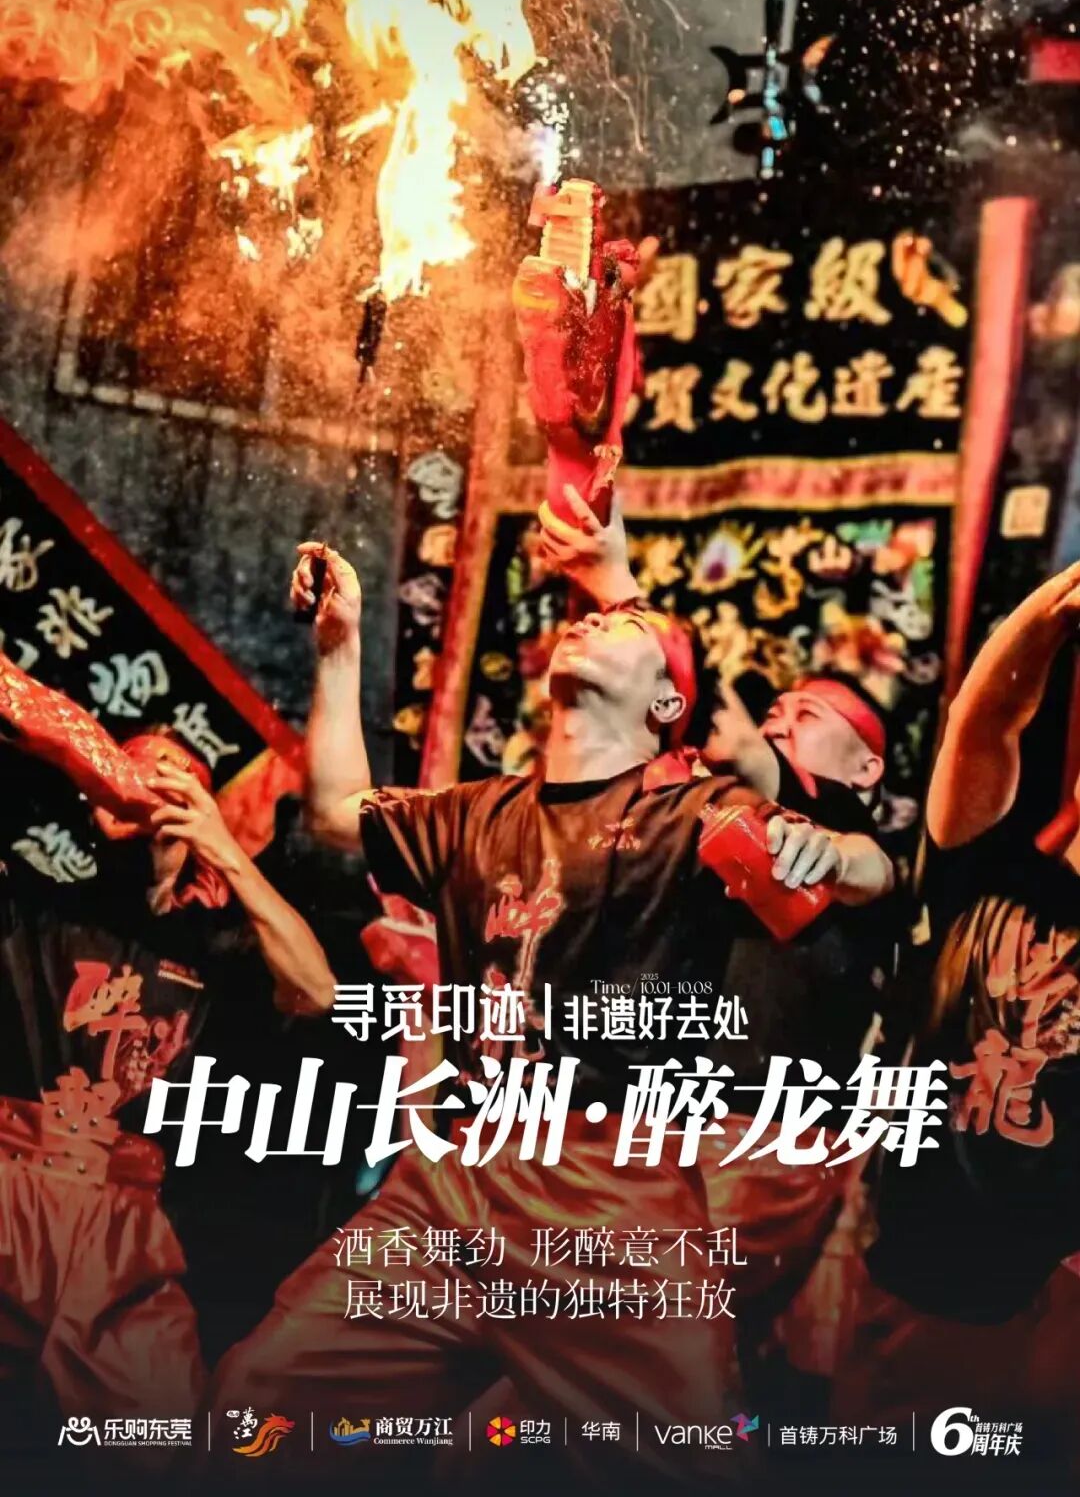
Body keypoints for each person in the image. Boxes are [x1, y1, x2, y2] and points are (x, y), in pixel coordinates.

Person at [207, 535, 888, 1489]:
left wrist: (845, 857)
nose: (595, 622)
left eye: (628, 627)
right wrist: (339, 645)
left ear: (664, 707)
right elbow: (337, 809)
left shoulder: (691, 815)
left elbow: (868, 870)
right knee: (259, 1402)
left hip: (607, 1201)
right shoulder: (473, 812)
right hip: (452, 1180)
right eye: (593, 618)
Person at [536, 489, 895, 1390]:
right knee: (579, 1360)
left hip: (766, 1144)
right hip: (663, 1137)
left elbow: (848, 851)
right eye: (778, 709)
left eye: (808, 714)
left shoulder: (854, 835)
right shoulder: (709, 827)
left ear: (868, 765)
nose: (780, 718)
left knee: (612, 1355)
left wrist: (617, 583)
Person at [0, 674, 336, 1437]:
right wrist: (68, 751)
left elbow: (317, 991)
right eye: (139, 766)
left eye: (184, 779)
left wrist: (227, 851)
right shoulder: (36, 905)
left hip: (123, 1221)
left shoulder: (218, 949)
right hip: (12, 1179)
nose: (158, 783)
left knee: (160, 1439)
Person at [836, 559, 1080, 1476]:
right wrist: (1059, 606)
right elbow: (984, 721)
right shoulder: (984, 869)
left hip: (1053, 1320)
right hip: (917, 1289)